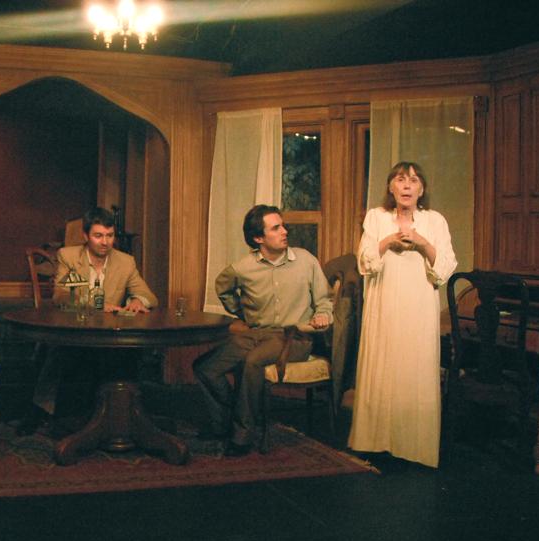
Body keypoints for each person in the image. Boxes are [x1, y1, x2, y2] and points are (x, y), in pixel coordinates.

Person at [193, 205, 333, 457]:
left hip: (295, 336)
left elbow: (325, 300)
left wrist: (323, 314)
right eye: (276, 228)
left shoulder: (305, 260)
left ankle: (243, 435)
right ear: (258, 238)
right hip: (257, 333)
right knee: (205, 367)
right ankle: (224, 422)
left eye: (283, 225)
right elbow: (223, 287)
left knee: (253, 362)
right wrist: (244, 313)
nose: (284, 231)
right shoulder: (242, 268)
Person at [348, 162, 457, 468]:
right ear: (391, 187)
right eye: (400, 179)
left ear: (422, 189)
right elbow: (365, 261)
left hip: (418, 306)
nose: (407, 185)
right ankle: (374, 442)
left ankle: (413, 447)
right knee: (382, 364)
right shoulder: (377, 217)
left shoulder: (434, 220)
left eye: (413, 180)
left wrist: (421, 243)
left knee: (414, 366)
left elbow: (445, 267)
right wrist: (388, 242)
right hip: (383, 305)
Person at [21, 207, 158, 434]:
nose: (105, 242)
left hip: (110, 335)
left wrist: (137, 300)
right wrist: (95, 304)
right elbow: (60, 295)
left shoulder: (126, 262)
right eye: (98, 236)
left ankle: (119, 416)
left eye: (109, 235)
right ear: (86, 236)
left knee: (128, 353)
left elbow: (149, 296)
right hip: (74, 330)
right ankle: (41, 411)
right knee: (57, 350)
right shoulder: (68, 256)